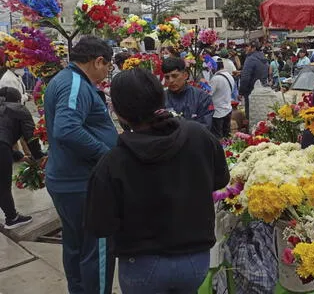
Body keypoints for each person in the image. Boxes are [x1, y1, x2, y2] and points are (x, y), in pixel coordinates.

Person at [84, 68, 230, 294]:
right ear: (160, 97)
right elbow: (220, 179)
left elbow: (100, 225)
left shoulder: (112, 162)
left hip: (142, 266)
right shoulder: (199, 135)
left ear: (119, 113)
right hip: (195, 261)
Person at [44, 36, 118, 294]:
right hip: (82, 183)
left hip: (68, 180)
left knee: (75, 246)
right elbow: (66, 129)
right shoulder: (75, 83)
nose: (107, 72)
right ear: (98, 61)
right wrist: (105, 155)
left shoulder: (64, 80)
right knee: (97, 249)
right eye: (107, 66)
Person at [0, 87, 45, 229]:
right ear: (18, 99)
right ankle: (12, 218)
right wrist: (38, 156)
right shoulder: (19, 109)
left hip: (3, 146)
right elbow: (30, 137)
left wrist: (20, 156)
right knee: (3, 186)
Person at [162, 57, 214, 129]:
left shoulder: (202, 98)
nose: (171, 80)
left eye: (174, 76)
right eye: (167, 77)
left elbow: (204, 128)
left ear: (185, 75)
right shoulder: (160, 99)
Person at [238, 41, 268, 124]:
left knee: (251, 116)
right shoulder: (263, 59)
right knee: (260, 114)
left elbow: (245, 78)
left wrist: (241, 92)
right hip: (263, 90)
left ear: (253, 48)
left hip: (251, 92)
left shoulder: (250, 59)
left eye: (248, 47)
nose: (246, 49)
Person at [210, 59, 235, 139]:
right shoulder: (229, 75)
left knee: (218, 136)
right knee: (226, 135)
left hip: (218, 112)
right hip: (228, 108)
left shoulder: (216, 79)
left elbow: (208, 94)